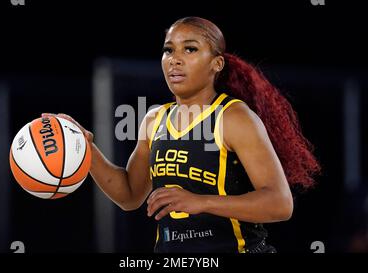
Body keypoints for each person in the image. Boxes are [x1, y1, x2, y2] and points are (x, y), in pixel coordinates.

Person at [43, 17, 320, 253]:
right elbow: (129, 194)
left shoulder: (233, 117)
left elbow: (280, 203)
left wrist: (200, 201)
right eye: (168, 50)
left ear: (217, 64)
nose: (174, 59)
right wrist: (85, 149)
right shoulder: (154, 119)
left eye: (190, 49)